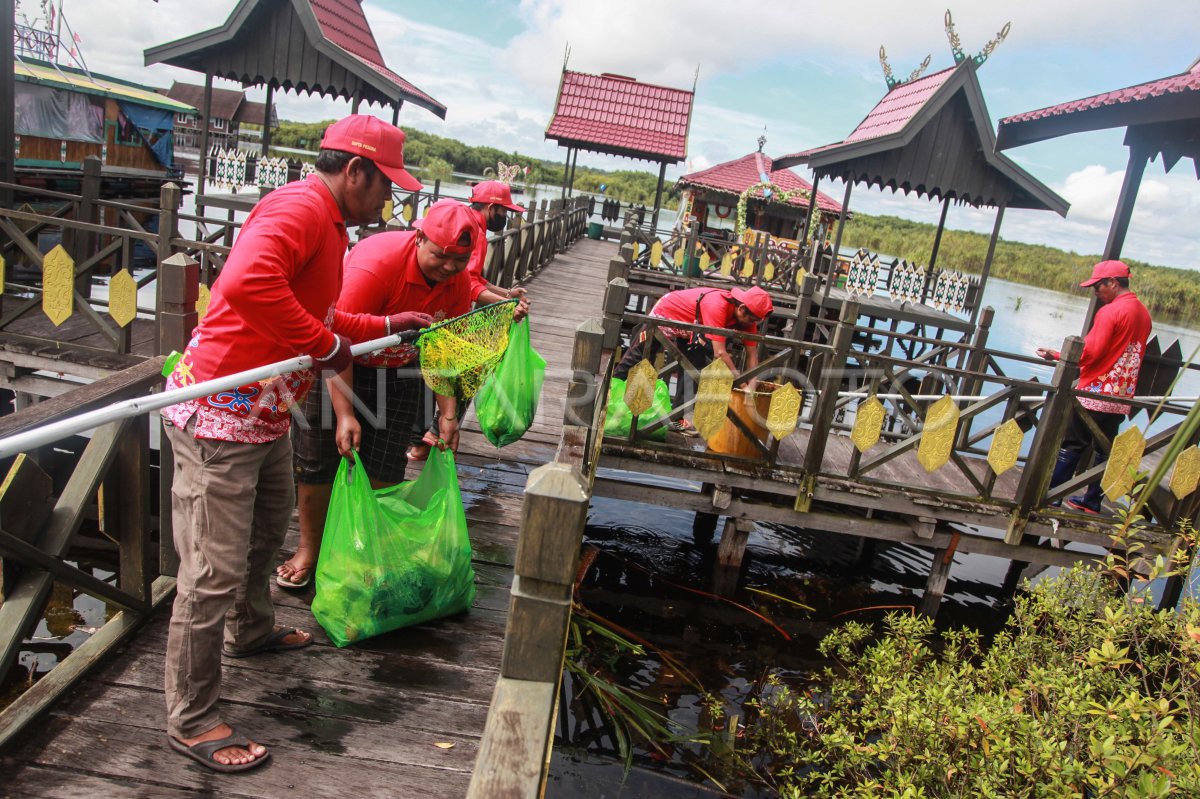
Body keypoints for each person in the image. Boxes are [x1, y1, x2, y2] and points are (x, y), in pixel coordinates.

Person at [159, 114, 425, 772]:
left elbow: (325, 318)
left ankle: (248, 631)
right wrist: (328, 348)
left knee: (264, 533)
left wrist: (388, 323)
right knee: (211, 570)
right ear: (356, 171)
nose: (389, 202)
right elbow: (248, 284)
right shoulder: (303, 207)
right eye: (386, 186)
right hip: (219, 414)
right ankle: (191, 716)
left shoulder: (331, 227)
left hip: (266, 412)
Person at [277, 201, 529, 588]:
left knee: (384, 465)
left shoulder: (458, 283)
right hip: (338, 361)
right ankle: (309, 548)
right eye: (441, 256)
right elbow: (333, 341)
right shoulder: (374, 269)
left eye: (460, 261)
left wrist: (447, 415)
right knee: (318, 459)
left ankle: (357, 546)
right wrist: (346, 413)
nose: (449, 268)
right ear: (419, 238)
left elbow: (442, 348)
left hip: (397, 369)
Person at [407, 182, 530, 460]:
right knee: (446, 370)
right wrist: (507, 306)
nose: (507, 217)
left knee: (437, 369)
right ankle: (426, 437)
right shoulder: (474, 233)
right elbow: (470, 286)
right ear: (492, 207)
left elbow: (471, 278)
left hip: (443, 308)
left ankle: (427, 436)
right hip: (443, 313)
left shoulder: (471, 226)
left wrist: (507, 294)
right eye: (505, 211)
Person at [1038, 260, 1151, 514]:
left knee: (1072, 443)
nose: (1095, 292)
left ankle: (1051, 496)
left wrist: (1057, 354)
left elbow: (1089, 351)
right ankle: (1091, 502)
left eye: (1097, 286)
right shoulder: (1143, 313)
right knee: (1104, 448)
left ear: (1113, 282)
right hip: (1121, 395)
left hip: (1095, 390)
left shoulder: (1110, 312)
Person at [612, 285, 773, 435]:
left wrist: (752, 386)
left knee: (693, 369)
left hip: (693, 327)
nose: (752, 325)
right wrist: (743, 385)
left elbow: (753, 354)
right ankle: (609, 396)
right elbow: (720, 353)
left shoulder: (747, 319)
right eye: (752, 320)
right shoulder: (718, 306)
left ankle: (678, 420)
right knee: (639, 358)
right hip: (668, 313)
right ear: (742, 308)